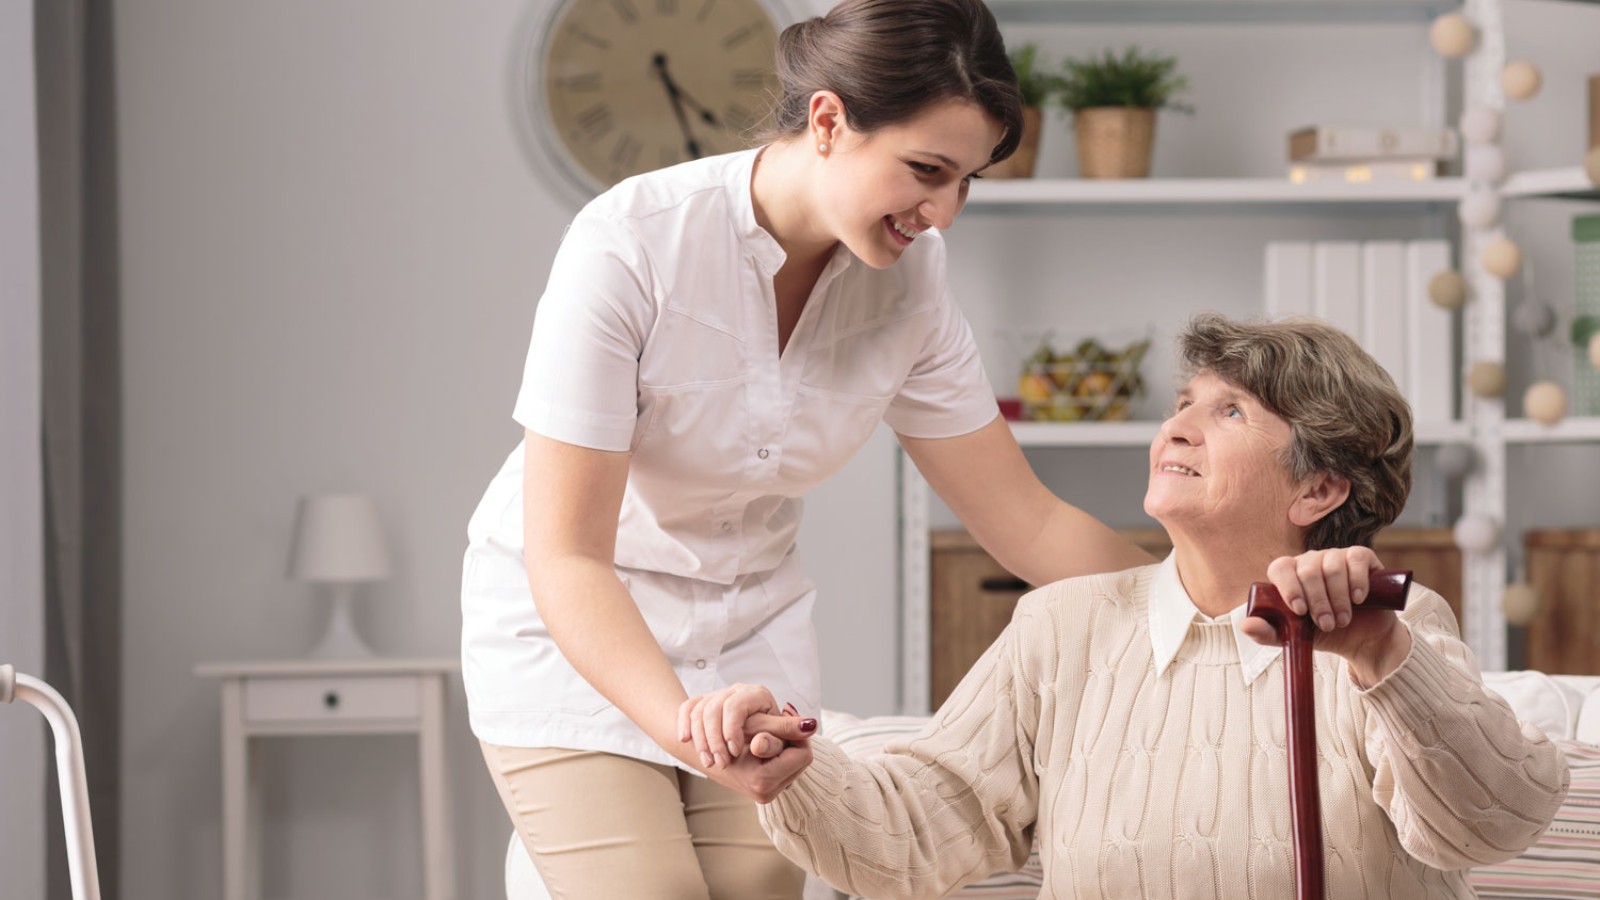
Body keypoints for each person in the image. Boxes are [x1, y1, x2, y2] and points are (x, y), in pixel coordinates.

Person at [718, 315, 1570, 899]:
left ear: (1318, 487)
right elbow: (919, 829)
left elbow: (1491, 824)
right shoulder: (1062, 628)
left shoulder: (1393, 630)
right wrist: (796, 771)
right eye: (1182, 405)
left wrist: (1381, 657)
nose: (1178, 429)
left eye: (1229, 411)